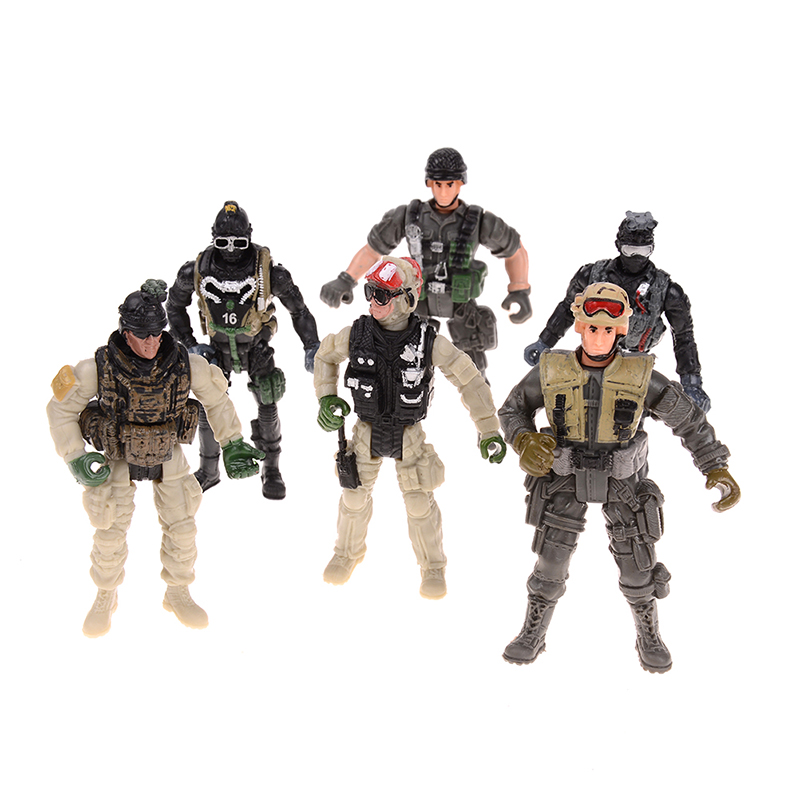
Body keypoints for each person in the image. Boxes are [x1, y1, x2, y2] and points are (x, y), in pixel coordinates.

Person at [500, 282, 739, 672]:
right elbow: (512, 410)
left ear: (621, 330)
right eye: (592, 328)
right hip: (564, 479)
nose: (599, 338)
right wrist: (524, 439)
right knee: (550, 564)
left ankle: (649, 634)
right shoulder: (550, 370)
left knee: (637, 568)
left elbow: (689, 421)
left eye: (608, 329)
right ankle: (533, 632)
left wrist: (715, 465)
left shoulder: (641, 376)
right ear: (579, 326)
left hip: (622, 483)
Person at [47, 280, 263, 637]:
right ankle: (105, 595)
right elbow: (60, 408)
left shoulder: (185, 364)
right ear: (126, 332)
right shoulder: (98, 368)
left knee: (183, 528)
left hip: (168, 453)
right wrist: (75, 456)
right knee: (109, 532)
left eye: (156, 334)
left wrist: (234, 442)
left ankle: (178, 592)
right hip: (117, 454)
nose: (150, 343)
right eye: (142, 335)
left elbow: (217, 400)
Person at [315, 256, 506, 599]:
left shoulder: (428, 341)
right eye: (370, 292)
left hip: (408, 435)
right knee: (353, 498)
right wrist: (326, 397)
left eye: (382, 294)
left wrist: (489, 429)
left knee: (419, 503)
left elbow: (469, 380)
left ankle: (432, 568)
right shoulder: (356, 334)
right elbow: (325, 356)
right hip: (366, 431)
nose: (374, 302)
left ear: (408, 298)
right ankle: (346, 554)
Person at [319, 147, 531, 377]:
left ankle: (481, 397)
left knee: (473, 366)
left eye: (450, 184)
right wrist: (346, 279)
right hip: (418, 300)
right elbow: (373, 250)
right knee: (408, 362)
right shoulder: (409, 216)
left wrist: (519, 289)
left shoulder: (479, 220)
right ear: (429, 183)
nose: (443, 191)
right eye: (438, 184)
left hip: (460, 302)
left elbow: (515, 250)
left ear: (460, 183)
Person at [167, 200, 320, 499]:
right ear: (213, 238)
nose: (231, 250)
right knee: (209, 405)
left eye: (239, 242)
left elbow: (299, 310)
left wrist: (311, 346)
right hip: (215, 349)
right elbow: (174, 307)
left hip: (256, 346)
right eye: (223, 242)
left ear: (249, 237)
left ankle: (271, 468)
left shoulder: (269, 273)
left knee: (268, 398)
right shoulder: (196, 271)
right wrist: (190, 345)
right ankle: (209, 469)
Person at [523, 211, 711, 410]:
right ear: (619, 246)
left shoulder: (666, 290)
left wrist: (692, 382)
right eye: (631, 249)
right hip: (593, 356)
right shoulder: (591, 275)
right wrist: (544, 341)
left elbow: (683, 336)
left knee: (631, 412)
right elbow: (567, 309)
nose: (637, 257)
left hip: (634, 362)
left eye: (644, 250)